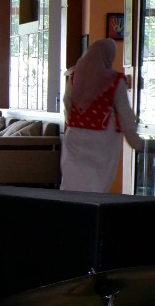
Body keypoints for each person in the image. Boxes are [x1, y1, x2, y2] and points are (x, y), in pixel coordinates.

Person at [60, 37, 142, 193]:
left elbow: (67, 102)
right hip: (102, 136)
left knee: (72, 179)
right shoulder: (115, 80)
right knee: (96, 180)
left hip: (74, 133)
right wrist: (135, 142)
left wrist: (75, 119)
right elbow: (124, 112)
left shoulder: (75, 76)